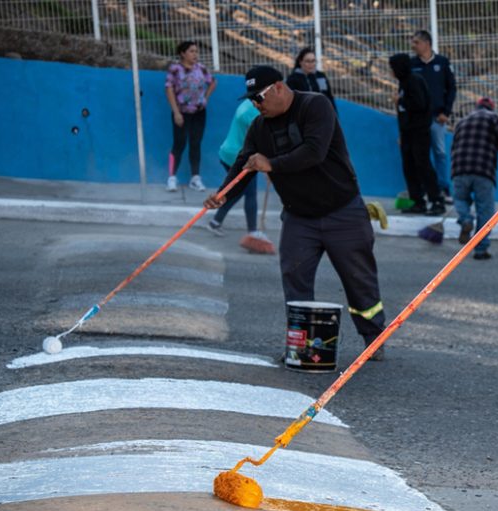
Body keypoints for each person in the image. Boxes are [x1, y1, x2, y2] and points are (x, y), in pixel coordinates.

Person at [206, 66, 387, 359]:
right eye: (251, 100)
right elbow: (243, 164)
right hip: (299, 217)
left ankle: (374, 339)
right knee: (295, 280)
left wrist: (272, 164)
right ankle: (302, 346)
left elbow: (314, 152)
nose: (256, 105)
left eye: (259, 97)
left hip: (343, 212)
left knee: (359, 281)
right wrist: (222, 193)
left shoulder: (315, 106)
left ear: (278, 87)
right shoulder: (259, 127)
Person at [449, 97, 498, 260]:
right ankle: (480, 249)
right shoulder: (493, 118)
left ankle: (465, 219)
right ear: (491, 108)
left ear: (477, 107)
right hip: (483, 170)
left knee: (460, 199)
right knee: (485, 210)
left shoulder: (462, 122)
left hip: (459, 169)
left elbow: (453, 147)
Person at [207, 97, 269, 247]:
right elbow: (259, 141)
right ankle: (253, 231)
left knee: (240, 191)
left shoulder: (247, 104)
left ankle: (216, 221)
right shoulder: (254, 113)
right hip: (239, 157)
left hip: (228, 152)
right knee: (250, 193)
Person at [389, 53, 445, 216]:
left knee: (423, 165)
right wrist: (402, 132)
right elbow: (403, 113)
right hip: (408, 132)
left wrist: (400, 101)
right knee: (409, 166)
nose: (391, 71)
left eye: (393, 68)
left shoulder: (414, 81)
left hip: (419, 131)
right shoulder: (403, 83)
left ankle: (436, 200)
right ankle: (417, 201)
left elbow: (419, 104)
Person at [164, 40, 217, 193]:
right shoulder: (175, 69)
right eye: (192, 51)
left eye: (196, 51)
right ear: (183, 53)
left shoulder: (201, 68)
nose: (195, 54)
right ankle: (172, 177)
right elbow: (169, 89)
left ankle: (195, 177)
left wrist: (205, 98)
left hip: (199, 112)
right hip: (181, 112)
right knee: (179, 143)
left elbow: (213, 82)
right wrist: (176, 112)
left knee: (195, 143)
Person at [410, 30, 457, 200]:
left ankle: (443, 189)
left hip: (437, 118)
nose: (413, 46)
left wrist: (446, 112)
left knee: (440, 153)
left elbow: (451, 88)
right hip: (418, 119)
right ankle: (424, 190)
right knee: (420, 154)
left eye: (416, 42)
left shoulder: (442, 62)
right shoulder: (412, 64)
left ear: (427, 43)